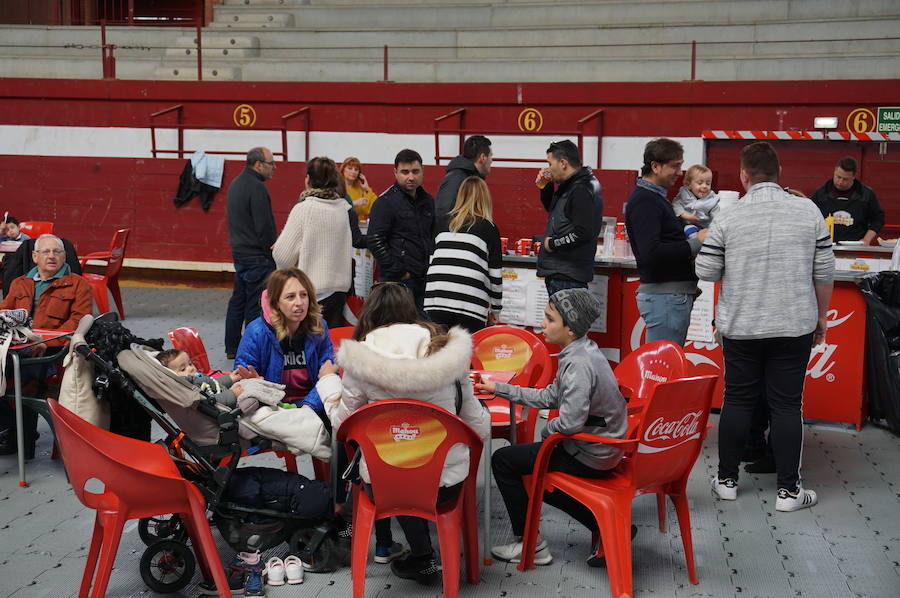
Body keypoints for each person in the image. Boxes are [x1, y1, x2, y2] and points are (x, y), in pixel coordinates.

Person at [697, 141, 834, 512]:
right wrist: (821, 317)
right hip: (793, 326)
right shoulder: (809, 211)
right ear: (778, 174)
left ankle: (726, 481)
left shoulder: (729, 215)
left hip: (741, 326)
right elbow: (823, 272)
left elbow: (706, 270)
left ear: (744, 176)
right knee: (787, 405)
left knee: (738, 400)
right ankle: (789, 493)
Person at [331, 282, 489, 585]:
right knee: (419, 458)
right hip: (446, 484)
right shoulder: (450, 356)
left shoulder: (359, 363)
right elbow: (478, 426)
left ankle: (417, 554)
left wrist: (328, 387)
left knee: (395, 458)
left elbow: (342, 424)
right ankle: (427, 557)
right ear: (412, 313)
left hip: (384, 484)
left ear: (369, 317)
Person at [476, 288, 626, 566]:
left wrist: (546, 433)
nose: (543, 324)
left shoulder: (579, 364)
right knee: (531, 470)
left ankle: (529, 545)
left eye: (550, 319)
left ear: (570, 328)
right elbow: (548, 396)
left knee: (504, 461)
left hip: (593, 452)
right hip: (600, 445)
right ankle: (605, 526)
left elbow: (569, 423)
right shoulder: (581, 351)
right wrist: (498, 388)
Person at [0, 234, 92, 459]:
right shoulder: (20, 282)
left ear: (64, 256)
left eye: (57, 252)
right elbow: (4, 314)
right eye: (45, 252)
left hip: (52, 356)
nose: (51, 256)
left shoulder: (78, 285)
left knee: (9, 375)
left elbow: (78, 324)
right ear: (34, 256)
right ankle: (14, 427)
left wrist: (46, 343)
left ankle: (17, 431)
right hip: (15, 349)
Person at [624, 137, 702, 346]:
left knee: (666, 368)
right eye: (675, 166)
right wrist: (695, 244)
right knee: (663, 371)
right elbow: (652, 254)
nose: (679, 172)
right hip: (666, 299)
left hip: (671, 297)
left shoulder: (655, 199)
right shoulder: (645, 201)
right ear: (655, 166)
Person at [234, 268, 338, 417]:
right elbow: (240, 378)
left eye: (303, 295)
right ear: (276, 302)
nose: (299, 303)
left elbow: (328, 374)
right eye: (290, 297)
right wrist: (257, 387)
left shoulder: (319, 328)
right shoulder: (257, 332)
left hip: (311, 406)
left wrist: (308, 408)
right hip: (271, 407)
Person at [273, 157, 353, 329]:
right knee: (330, 349)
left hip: (311, 294)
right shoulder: (343, 208)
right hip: (338, 293)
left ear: (308, 179)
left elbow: (282, 255)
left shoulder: (304, 209)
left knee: (308, 350)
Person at [424, 176, 502, 332]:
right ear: (485, 199)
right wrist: (496, 310)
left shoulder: (442, 223)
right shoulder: (489, 228)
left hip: (436, 297)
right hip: (469, 303)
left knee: (439, 350)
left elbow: (432, 262)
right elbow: (495, 275)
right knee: (466, 352)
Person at [225, 147, 278, 360]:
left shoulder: (236, 184)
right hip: (258, 256)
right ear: (258, 164)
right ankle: (251, 351)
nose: (274, 167)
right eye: (271, 163)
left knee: (238, 300)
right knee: (255, 305)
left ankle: (232, 347)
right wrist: (271, 252)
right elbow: (264, 227)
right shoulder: (257, 188)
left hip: (240, 253)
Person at [367, 149, 435, 312]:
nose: (411, 177)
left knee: (423, 331)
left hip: (424, 280)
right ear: (395, 172)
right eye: (405, 172)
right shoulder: (385, 202)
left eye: (415, 171)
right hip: (397, 283)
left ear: (422, 171)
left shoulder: (428, 201)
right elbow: (374, 240)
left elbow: (432, 236)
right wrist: (399, 271)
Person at [534, 140, 603, 296]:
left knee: (564, 321)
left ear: (563, 163)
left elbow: (583, 232)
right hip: (564, 273)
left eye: (550, 164)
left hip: (568, 275)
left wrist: (553, 243)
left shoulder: (580, 189)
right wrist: (546, 186)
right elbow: (555, 211)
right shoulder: (572, 185)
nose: (548, 169)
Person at [811, 156, 884, 245]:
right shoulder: (821, 194)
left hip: (855, 247)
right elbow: (810, 219)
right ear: (834, 171)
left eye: (845, 179)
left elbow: (878, 219)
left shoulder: (866, 195)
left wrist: (866, 239)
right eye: (838, 177)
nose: (840, 182)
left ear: (853, 176)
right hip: (826, 246)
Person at [434, 135, 492, 232]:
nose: (491, 160)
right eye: (490, 155)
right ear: (482, 157)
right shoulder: (457, 178)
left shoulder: (462, 177)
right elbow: (443, 213)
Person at [672, 164, 719, 229]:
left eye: (708, 183)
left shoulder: (712, 199)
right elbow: (676, 204)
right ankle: (693, 236)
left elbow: (716, 214)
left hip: (705, 226)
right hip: (686, 224)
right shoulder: (684, 194)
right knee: (687, 228)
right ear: (689, 185)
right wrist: (684, 215)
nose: (704, 186)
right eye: (700, 183)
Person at [339, 157, 379, 221]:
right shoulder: (338, 188)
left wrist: (367, 188)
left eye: (356, 169)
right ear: (343, 170)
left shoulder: (360, 188)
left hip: (358, 226)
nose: (353, 171)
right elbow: (335, 207)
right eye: (350, 168)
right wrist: (353, 203)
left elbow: (376, 206)